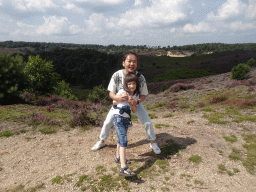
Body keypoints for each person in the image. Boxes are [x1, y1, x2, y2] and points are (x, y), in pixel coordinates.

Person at [91, 52, 161, 154]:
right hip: (119, 104)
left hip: (135, 103)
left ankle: (153, 142)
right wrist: (117, 97)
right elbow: (111, 93)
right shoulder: (117, 75)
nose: (132, 64)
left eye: (135, 62)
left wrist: (136, 101)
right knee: (107, 122)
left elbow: (144, 95)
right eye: (129, 61)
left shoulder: (140, 77)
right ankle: (101, 141)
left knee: (147, 122)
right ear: (123, 63)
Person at [113, 73, 139, 176]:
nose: (131, 86)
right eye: (129, 84)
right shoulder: (122, 92)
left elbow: (135, 110)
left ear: (136, 84)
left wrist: (132, 103)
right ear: (126, 84)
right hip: (118, 118)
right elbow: (114, 102)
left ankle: (118, 157)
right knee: (123, 140)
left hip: (126, 120)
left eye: (133, 83)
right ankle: (123, 167)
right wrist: (120, 98)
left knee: (120, 139)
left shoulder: (135, 96)